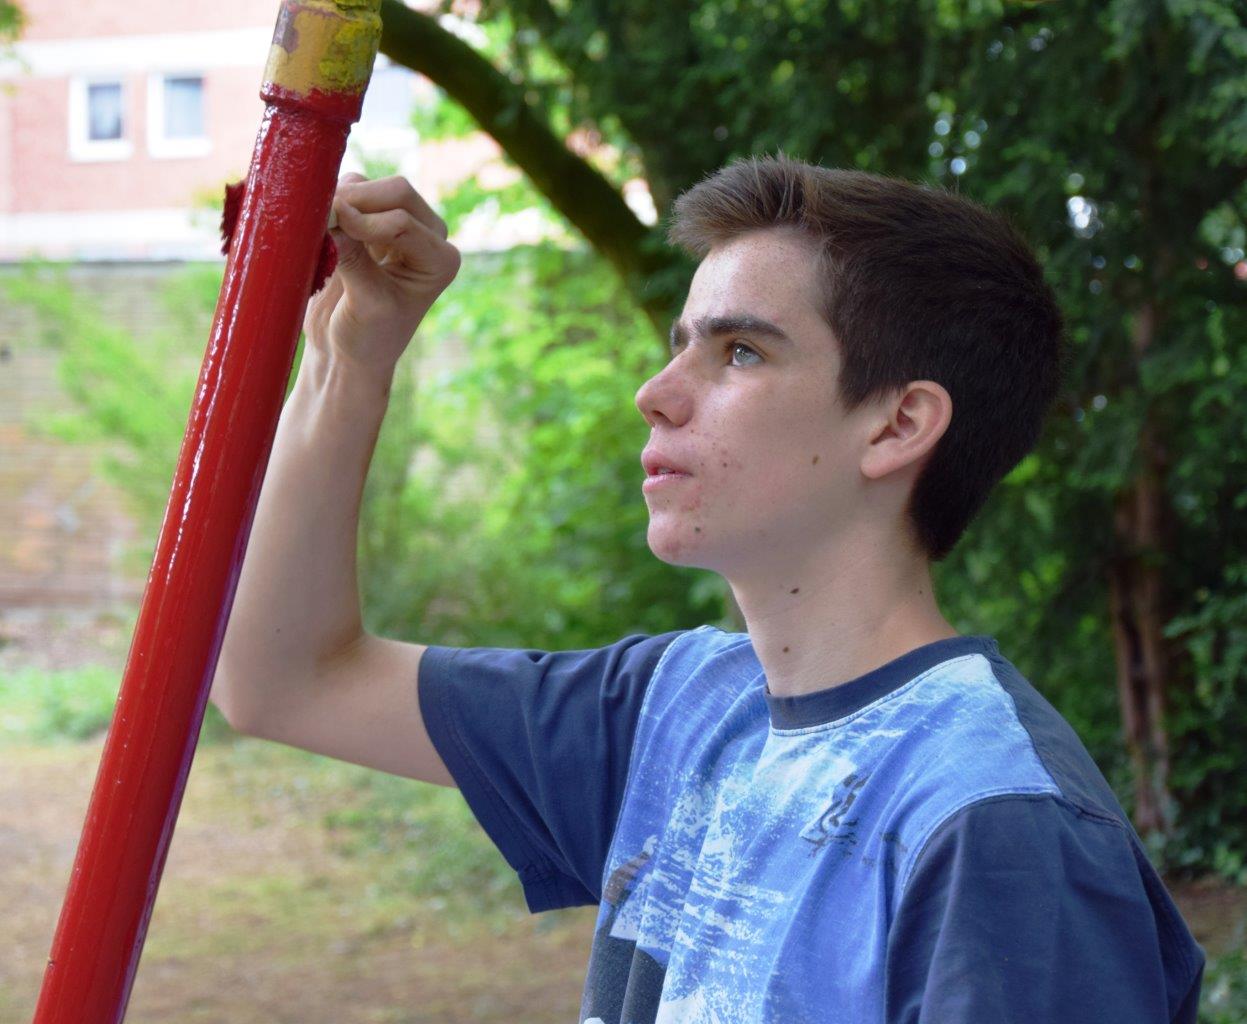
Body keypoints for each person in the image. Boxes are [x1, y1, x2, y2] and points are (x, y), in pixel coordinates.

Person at [209, 155, 1206, 1023]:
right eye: (679, 342)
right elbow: (282, 679)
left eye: (738, 351)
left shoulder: (999, 825)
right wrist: (348, 355)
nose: (656, 392)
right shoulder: (670, 712)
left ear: (897, 426)